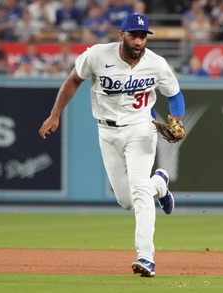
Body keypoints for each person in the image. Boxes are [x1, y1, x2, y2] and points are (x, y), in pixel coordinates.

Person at [39, 13, 185, 278]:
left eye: (143, 36)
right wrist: (55, 113)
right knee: (126, 200)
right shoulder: (97, 55)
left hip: (142, 128)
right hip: (106, 131)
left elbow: (174, 94)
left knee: (139, 192)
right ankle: (160, 184)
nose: (139, 41)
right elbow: (73, 79)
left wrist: (177, 118)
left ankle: (146, 257)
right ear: (122, 35)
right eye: (134, 35)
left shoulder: (157, 64)